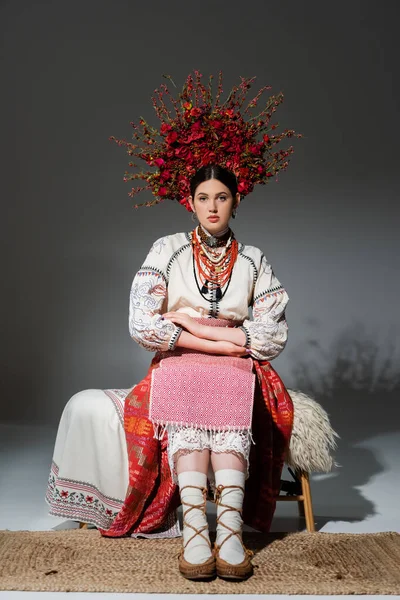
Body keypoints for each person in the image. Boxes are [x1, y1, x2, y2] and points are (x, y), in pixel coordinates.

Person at [46, 71, 301, 582]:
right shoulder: (166, 250)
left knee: (229, 384)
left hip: (236, 364)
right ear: (190, 201)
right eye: (203, 197)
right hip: (183, 359)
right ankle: (195, 533)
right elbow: (142, 322)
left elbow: (272, 334)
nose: (212, 206)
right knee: (188, 379)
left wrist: (198, 326)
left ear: (235, 201)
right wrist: (218, 336)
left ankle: (228, 536)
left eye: (221, 197)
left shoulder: (252, 259)